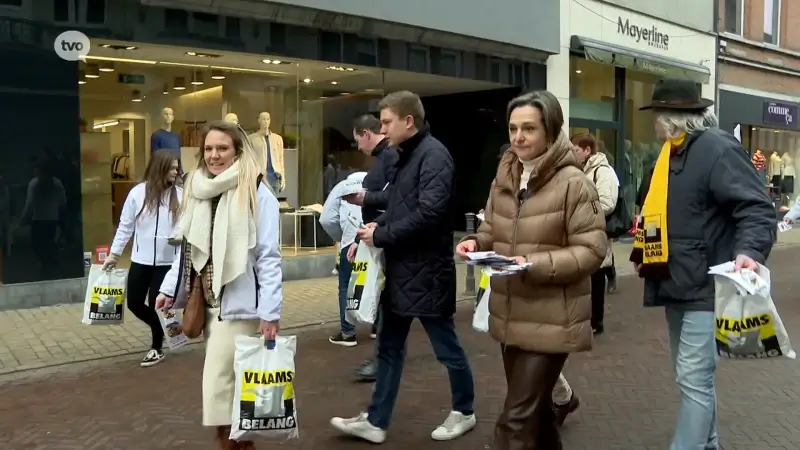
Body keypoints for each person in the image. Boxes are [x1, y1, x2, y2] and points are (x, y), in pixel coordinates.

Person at [455, 90, 607, 449]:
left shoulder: (574, 184)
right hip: (511, 312)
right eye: (512, 128)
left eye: (529, 129)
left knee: (514, 421)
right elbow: (492, 227)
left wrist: (534, 264)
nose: (518, 137)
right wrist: (477, 243)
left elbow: (592, 251)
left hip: (554, 316)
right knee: (537, 414)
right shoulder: (504, 176)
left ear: (551, 132)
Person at [630, 79, 775, 450]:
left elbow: (757, 208)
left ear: (672, 119)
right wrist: (644, 254)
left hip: (706, 285)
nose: (654, 125)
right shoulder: (671, 153)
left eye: (656, 116)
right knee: (691, 376)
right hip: (675, 280)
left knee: (694, 377)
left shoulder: (715, 148)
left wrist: (751, 252)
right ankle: (708, 443)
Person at [331, 91, 476, 444]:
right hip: (399, 271)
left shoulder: (434, 156)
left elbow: (430, 213)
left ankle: (465, 411)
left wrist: (382, 235)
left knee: (447, 348)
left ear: (408, 121)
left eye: (386, 122)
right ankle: (376, 421)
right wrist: (372, 227)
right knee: (389, 349)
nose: (381, 129)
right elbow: (401, 201)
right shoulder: (405, 155)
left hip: (427, 272)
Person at [154, 120, 283, 450]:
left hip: (240, 304)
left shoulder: (256, 190)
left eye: (222, 148)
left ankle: (232, 444)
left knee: (217, 382)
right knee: (230, 382)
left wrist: (270, 311)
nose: (214, 155)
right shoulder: (196, 187)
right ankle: (241, 444)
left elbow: (268, 256)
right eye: (209, 149)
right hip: (207, 300)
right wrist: (169, 289)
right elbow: (185, 247)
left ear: (237, 150)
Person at [103, 150, 182, 367]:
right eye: (172, 167)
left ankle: (157, 347)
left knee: (158, 305)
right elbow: (125, 226)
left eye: (177, 167)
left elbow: (187, 226)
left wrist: (180, 236)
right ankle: (169, 329)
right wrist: (114, 254)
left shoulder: (181, 195)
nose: (176, 171)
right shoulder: (137, 194)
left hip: (167, 263)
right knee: (135, 303)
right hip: (140, 259)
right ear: (160, 168)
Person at [347, 113, 398, 382]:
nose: (358, 147)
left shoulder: (390, 156)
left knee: (390, 304)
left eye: (358, 140)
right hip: (377, 236)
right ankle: (384, 360)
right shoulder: (384, 158)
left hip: (386, 238)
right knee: (389, 306)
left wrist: (366, 197)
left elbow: (396, 197)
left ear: (367, 133)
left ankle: (383, 361)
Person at [572, 132, 619, 335]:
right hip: (582, 234)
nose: (573, 154)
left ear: (587, 150)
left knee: (596, 279)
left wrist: (581, 210)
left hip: (596, 233)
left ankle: (595, 322)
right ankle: (584, 319)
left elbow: (607, 203)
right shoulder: (581, 170)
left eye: (576, 150)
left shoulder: (602, 171)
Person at [319, 171, 368, 347]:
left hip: (351, 241)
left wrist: (341, 237)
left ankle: (348, 332)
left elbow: (326, 219)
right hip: (378, 237)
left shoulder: (342, 187)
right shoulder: (380, 182)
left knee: (348, 286)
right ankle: (378, 328)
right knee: (380, 282)